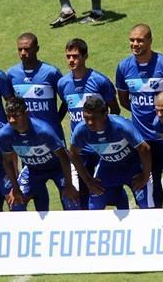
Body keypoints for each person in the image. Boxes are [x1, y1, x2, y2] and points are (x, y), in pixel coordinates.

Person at [115, 23, 163, 207]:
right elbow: (124, 101)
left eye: (140, 40)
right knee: (151, 183)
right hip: (143, 141)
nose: (135, 44)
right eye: (132, 40)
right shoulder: (124, 67)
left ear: (149, 40)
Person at [56, 38, 127, 209]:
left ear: (85, 56)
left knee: (108, 187)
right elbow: (66, 104)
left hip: (102, 148)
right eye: (68, 57)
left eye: (75, 56)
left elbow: (114, 109)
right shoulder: (63, 83)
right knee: (83, 192)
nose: (71, 60)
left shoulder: (100, 81)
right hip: (80, 151)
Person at [70, 97, 153, 210]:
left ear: (105, 114)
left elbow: (144, 149)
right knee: (94, 209)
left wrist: (145, 176)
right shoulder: (81, 131)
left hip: (133, 167)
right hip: (108, 167)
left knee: (147, 208)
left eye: (94, 118)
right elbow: (73, 154)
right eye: (86, 118)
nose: (89, 123)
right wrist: (88, 181)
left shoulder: (121, 126)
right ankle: (120, 199)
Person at [0, 97, 79, 212]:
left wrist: (69, 185)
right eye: (8, 116)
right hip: (33, 170)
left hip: (58, 169)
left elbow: (64, 157)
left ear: (26, 113)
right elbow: (7, 161)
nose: (12, 120)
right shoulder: (4, 134)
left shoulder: (43, 131)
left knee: (72, 201)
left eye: (16, 115)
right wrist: (15, 188)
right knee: (16, 203)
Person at [7, 33, 66, 142]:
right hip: (26, 134)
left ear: (37, 49)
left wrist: (57, 120)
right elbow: (11, 102)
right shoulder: (12, 74)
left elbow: (66, 100)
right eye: (20, 49)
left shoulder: (51, 73)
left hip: (51, 132)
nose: (23, 53)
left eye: (27, 49)